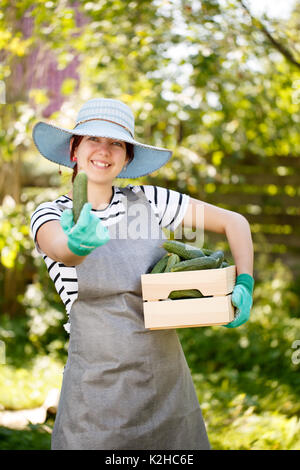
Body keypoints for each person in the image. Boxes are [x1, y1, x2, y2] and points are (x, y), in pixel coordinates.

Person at [30, 98, 254, 450]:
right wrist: (78, 243)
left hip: (165, 387)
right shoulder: (52, 213)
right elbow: (60, 249)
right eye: (92, 139)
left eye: (116, 143)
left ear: (127, 157)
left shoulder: (150, 201)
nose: (104, 150)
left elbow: (234, 222)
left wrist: (244, 282)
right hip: (96, 397)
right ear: (74, 149)